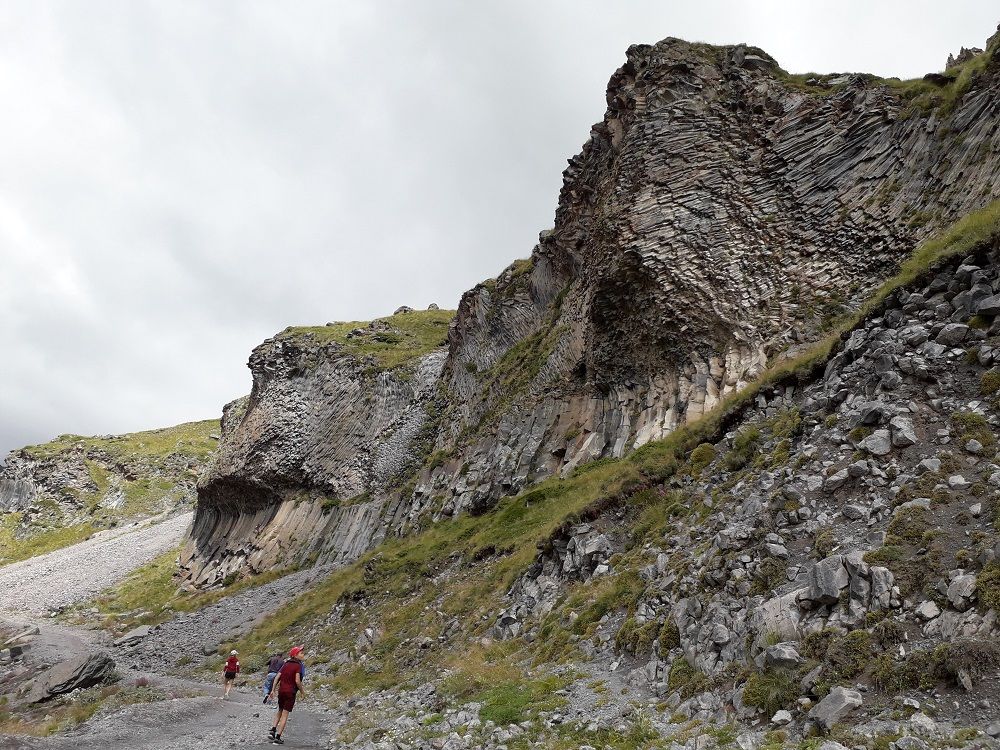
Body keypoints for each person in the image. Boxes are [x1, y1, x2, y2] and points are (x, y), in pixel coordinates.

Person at [268, 646, 307, 745]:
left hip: (281, 691)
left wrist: (272, 690)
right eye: (301, 653)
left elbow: (277, 677)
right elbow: (297, 681)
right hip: (290, 692)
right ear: (295, 655)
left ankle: (273, 729)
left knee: (280, 710)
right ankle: (278, 737)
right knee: (285, 714)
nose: (303, 654)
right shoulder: (298, 666)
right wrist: (302, 691)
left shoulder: (286, 664)